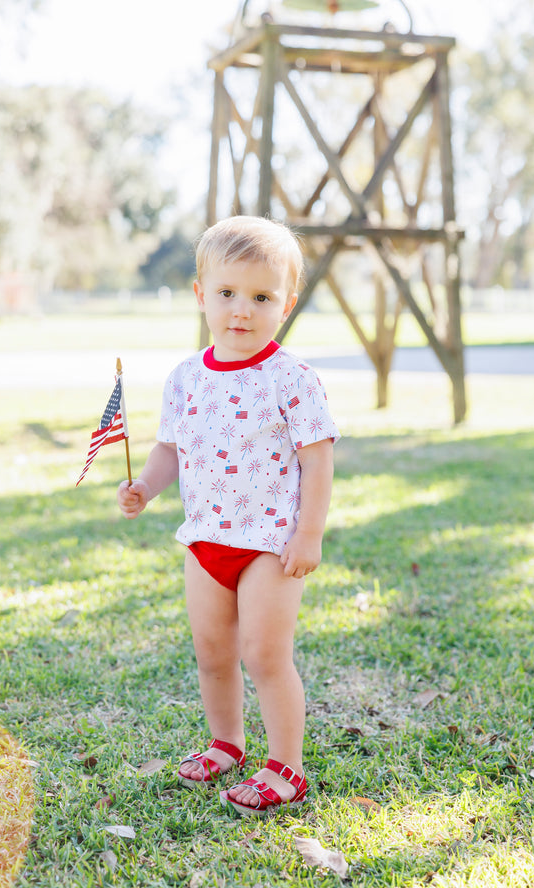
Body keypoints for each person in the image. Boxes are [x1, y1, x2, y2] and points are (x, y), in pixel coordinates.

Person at [117, 215, 339, 816]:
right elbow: (170, 448)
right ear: (201, 296)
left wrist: (308, 533)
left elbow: (317, 460)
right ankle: (226, 742)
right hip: (207, 538)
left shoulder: (291, 378)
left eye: (262, 297)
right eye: (227, 293)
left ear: (286, 305)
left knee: (265, 655)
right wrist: (146, 486)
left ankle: (285, 766)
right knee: (213, 653)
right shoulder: (186, 378)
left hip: (269, 542)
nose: (242, 310)